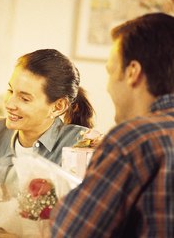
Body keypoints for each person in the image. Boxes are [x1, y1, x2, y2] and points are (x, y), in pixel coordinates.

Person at [50, 12, 174, 237]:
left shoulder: (133, 139)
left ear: (132, 72)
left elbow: (71, 232)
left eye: (110, 71)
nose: (107, 86)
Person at [0, 49, 96, 197]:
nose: (10, 104)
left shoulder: (82, 146)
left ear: (58, 107)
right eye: (10, 91)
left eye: (25, 99)